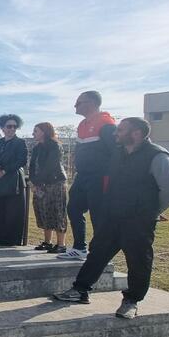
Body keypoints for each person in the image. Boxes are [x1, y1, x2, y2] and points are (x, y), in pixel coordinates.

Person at [55, 118, 169, 319]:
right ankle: (80, 290)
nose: (116, 134)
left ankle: (131, 301)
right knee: (97, 253)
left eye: (121, 130)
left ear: (137, 133)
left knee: (138, 260)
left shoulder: (157, 156)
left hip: (138, 221)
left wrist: (152, 212)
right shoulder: (117, 154)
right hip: (112, 216)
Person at [59, 90, 117, 261]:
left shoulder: (105, 124)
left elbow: (116, 152)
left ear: (91, 103)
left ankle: (101, 252)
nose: (75, 106)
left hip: (100, 177)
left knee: (98, 214)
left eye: (79, 103)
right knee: (73, 208)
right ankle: (79, 248)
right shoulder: (83, 124)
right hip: (83, 176)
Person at [0, 114, 28, 246]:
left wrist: (4, 171)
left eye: (15, 126)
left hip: (13, 179)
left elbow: (21, 161)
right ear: (3, 128)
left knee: (13, 211)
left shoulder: (20, 143)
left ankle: (11, 239)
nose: (12, 129)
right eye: (9, 126)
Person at [30, 122, 68, 253]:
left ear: (44, 131)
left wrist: (38, 182)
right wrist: (33, 182)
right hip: (40, 185)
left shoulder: (55, 145)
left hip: (55, 183)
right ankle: (47, 242)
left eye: (36, 131)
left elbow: (50, 166)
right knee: (43, 212)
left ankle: (61, 244)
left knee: (57, 212)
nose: (33, 133)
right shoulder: (36, 148)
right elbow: (32, 167)